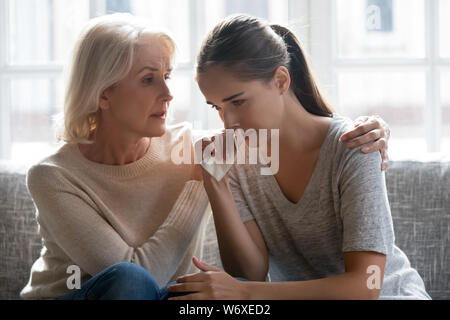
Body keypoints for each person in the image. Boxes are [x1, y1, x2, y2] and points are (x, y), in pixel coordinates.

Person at [21, 13, 391, 300]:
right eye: (148, 79)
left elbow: (247, 278)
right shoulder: (52, 177)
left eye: (167, 76)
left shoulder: (210, 147)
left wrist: (377, 129)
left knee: (214, 295)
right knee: (132, 281)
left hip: (160, 295)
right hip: (84, 294)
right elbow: (137, 272)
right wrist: (203, 177)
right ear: (103, 93)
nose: (168, 94)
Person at [166, 15, 431, 300]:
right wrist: (215, 183)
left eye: (238, 101)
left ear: (281, 80)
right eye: (216, 107)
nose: (227, 121)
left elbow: (365, 287)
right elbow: (250, 272)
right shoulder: (238, 161)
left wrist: (244, 292)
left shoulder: (354, 147)